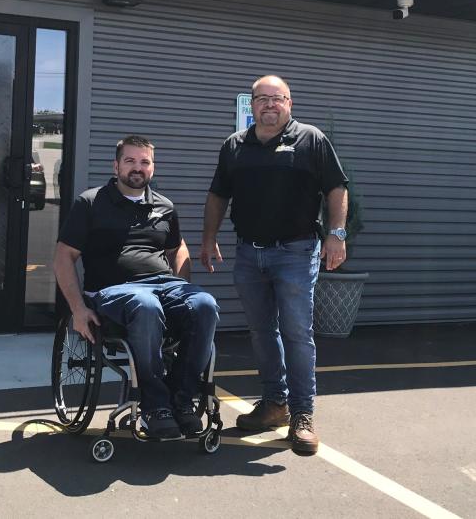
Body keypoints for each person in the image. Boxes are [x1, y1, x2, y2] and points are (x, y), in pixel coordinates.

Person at [200, 75, 349, 455]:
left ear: (289, 103)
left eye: (276, 98)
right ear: (252, 105)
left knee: (297, 333)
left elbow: (336, 187)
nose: (269, 105)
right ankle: (274, 404)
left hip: (296, 252)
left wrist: (337, 234)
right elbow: (218, 194)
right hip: (250, 253)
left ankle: (302, 414)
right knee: (261, 331)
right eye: (261, 99)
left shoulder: (310, 139)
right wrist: (208, 237)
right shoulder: (235, 146)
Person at [54, 135, 219, 439]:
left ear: (153, 168)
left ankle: (181, 401)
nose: (137, 168)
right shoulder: (90, 203)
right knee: (145, 304)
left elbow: (177, 249)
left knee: (205, 305)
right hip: (112, 291)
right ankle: (154, 406)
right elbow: (64, 256)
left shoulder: (165, 207)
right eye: (130, 160)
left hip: (164, 286)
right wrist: (77, 309)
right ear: (116, 165)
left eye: (144, 162)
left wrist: (182, 288)